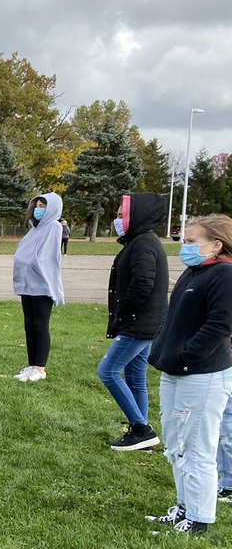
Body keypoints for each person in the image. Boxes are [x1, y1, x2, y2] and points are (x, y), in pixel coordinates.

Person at [146, 215, 232, 535]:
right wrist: (163, 348)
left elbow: (220, 325)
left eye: (192, 241)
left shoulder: (223, 275)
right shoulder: (194, 272)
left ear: (215, 245)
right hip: (175, 372)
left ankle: (199, 518)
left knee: (197, 448)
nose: (185, 246)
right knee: (177, 444)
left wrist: (187, 355)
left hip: (202, 376)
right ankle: (184, 507)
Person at [99, 193, 168, 451]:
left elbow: (142, 284)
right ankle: (141, 430)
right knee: (136, 376)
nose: (117, 219)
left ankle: (141, 428)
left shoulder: (143, 244)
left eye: (121, 215)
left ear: (135, 216)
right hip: (145, 323)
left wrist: (123, 316)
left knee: (107, 371)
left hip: (140, 324)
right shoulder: (138, 241)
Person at [12, 193, 64, 382]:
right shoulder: (34, 228)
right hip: (28, 284)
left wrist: (27, 262)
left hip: (42, 285)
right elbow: (23, 251)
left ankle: (40, 368)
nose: (38, 208)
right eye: (37, 205)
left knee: (41, 326)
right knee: (29, 325)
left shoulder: (54, 227)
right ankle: (31, 365)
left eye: (43, 205)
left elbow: (44, 256)